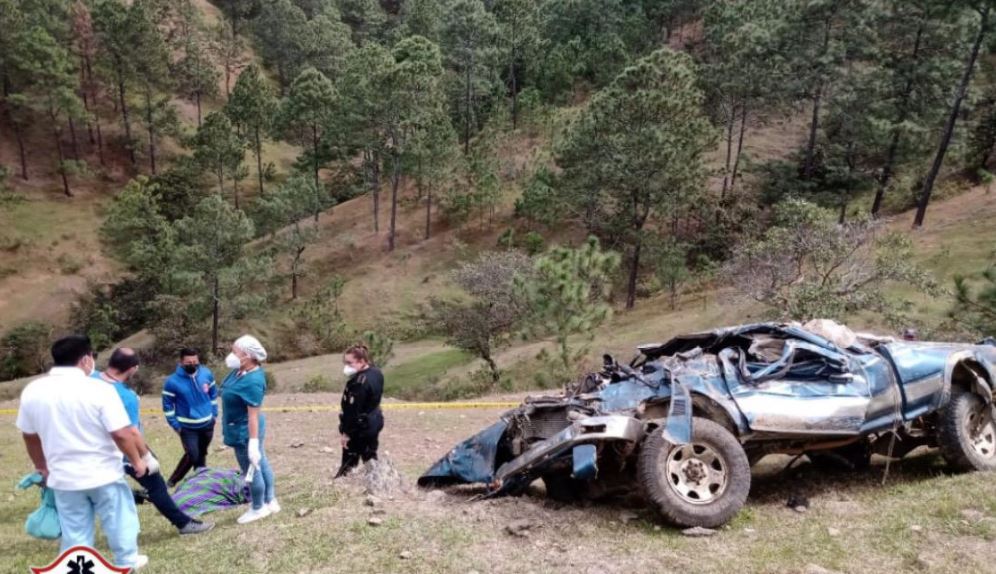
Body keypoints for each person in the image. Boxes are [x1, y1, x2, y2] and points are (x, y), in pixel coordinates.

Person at [16, 335, 149, 570]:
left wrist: (41, 466)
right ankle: (127, 561)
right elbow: (121, 433)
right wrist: (137, 461)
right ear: (86, 359)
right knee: (119, 519)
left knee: (75, 530)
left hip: (63, 476)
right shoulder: (100, 390)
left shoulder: (33, 391)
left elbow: (30, 436)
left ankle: (76, 566)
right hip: (104, 473)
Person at [95, 348, 214, 535]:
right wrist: (145, 457)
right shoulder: (126, 396)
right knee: (155, 484)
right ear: (133, 368)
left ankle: (134, 496)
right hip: (122, 449)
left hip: (95, 449)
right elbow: (130, 432)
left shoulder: (91, 380)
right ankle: (184, 524)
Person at [221, 335, 278, 524]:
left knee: (251, 469)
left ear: (247, 356)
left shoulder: (253, 381)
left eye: (235, 352)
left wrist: (252, 443)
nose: (231, 355)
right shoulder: (238, 371)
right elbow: (227, 388)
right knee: (261, 462)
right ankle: (270, 500)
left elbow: (253, 415)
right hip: (240, 426)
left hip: (246, 431)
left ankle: (258, 507)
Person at [162, 348, 218, 488]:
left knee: (201, 454)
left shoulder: (206, 373)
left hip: (207, 424)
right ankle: (173, 481)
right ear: (181, 362)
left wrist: (214, 414)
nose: (193, 364)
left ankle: (201, 482)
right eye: (189, 362)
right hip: (187, 427)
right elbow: (167, 405)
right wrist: (175, 425)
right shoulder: (172, 382)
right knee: (193, 455)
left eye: (195, 361)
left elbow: (213, 394)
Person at [335, 344, 385, 478]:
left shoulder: (359, 383)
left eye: (350, 363)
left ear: (361, 361)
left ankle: (343, 480)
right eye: (345, 363)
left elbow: (353, 411)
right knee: (370, 454)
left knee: (350, 458)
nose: (346, 367)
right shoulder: (376, 372)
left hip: (360, 427)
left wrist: (346, 433)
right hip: (374, 419)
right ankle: (377, 479)